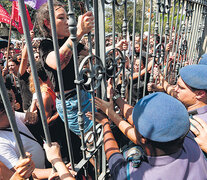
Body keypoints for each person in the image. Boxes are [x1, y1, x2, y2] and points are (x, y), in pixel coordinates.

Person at [90, 92, 207, 179]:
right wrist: (115, 101)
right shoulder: (189, 140)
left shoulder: (134, 175)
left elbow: (113, 155)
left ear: (142, 139)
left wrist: (105, 123)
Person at [36, 1, 95, 136]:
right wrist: (78, 33)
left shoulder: (69, 39)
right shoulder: (46, 45)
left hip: (86, 94)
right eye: (61, 18)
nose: (68, 21)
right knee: (93, 144)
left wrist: (116, 48)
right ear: (48, 23)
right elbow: (58, 63)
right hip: (72, 104)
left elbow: (93, 54)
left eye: (67, 17)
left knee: (101, 134)